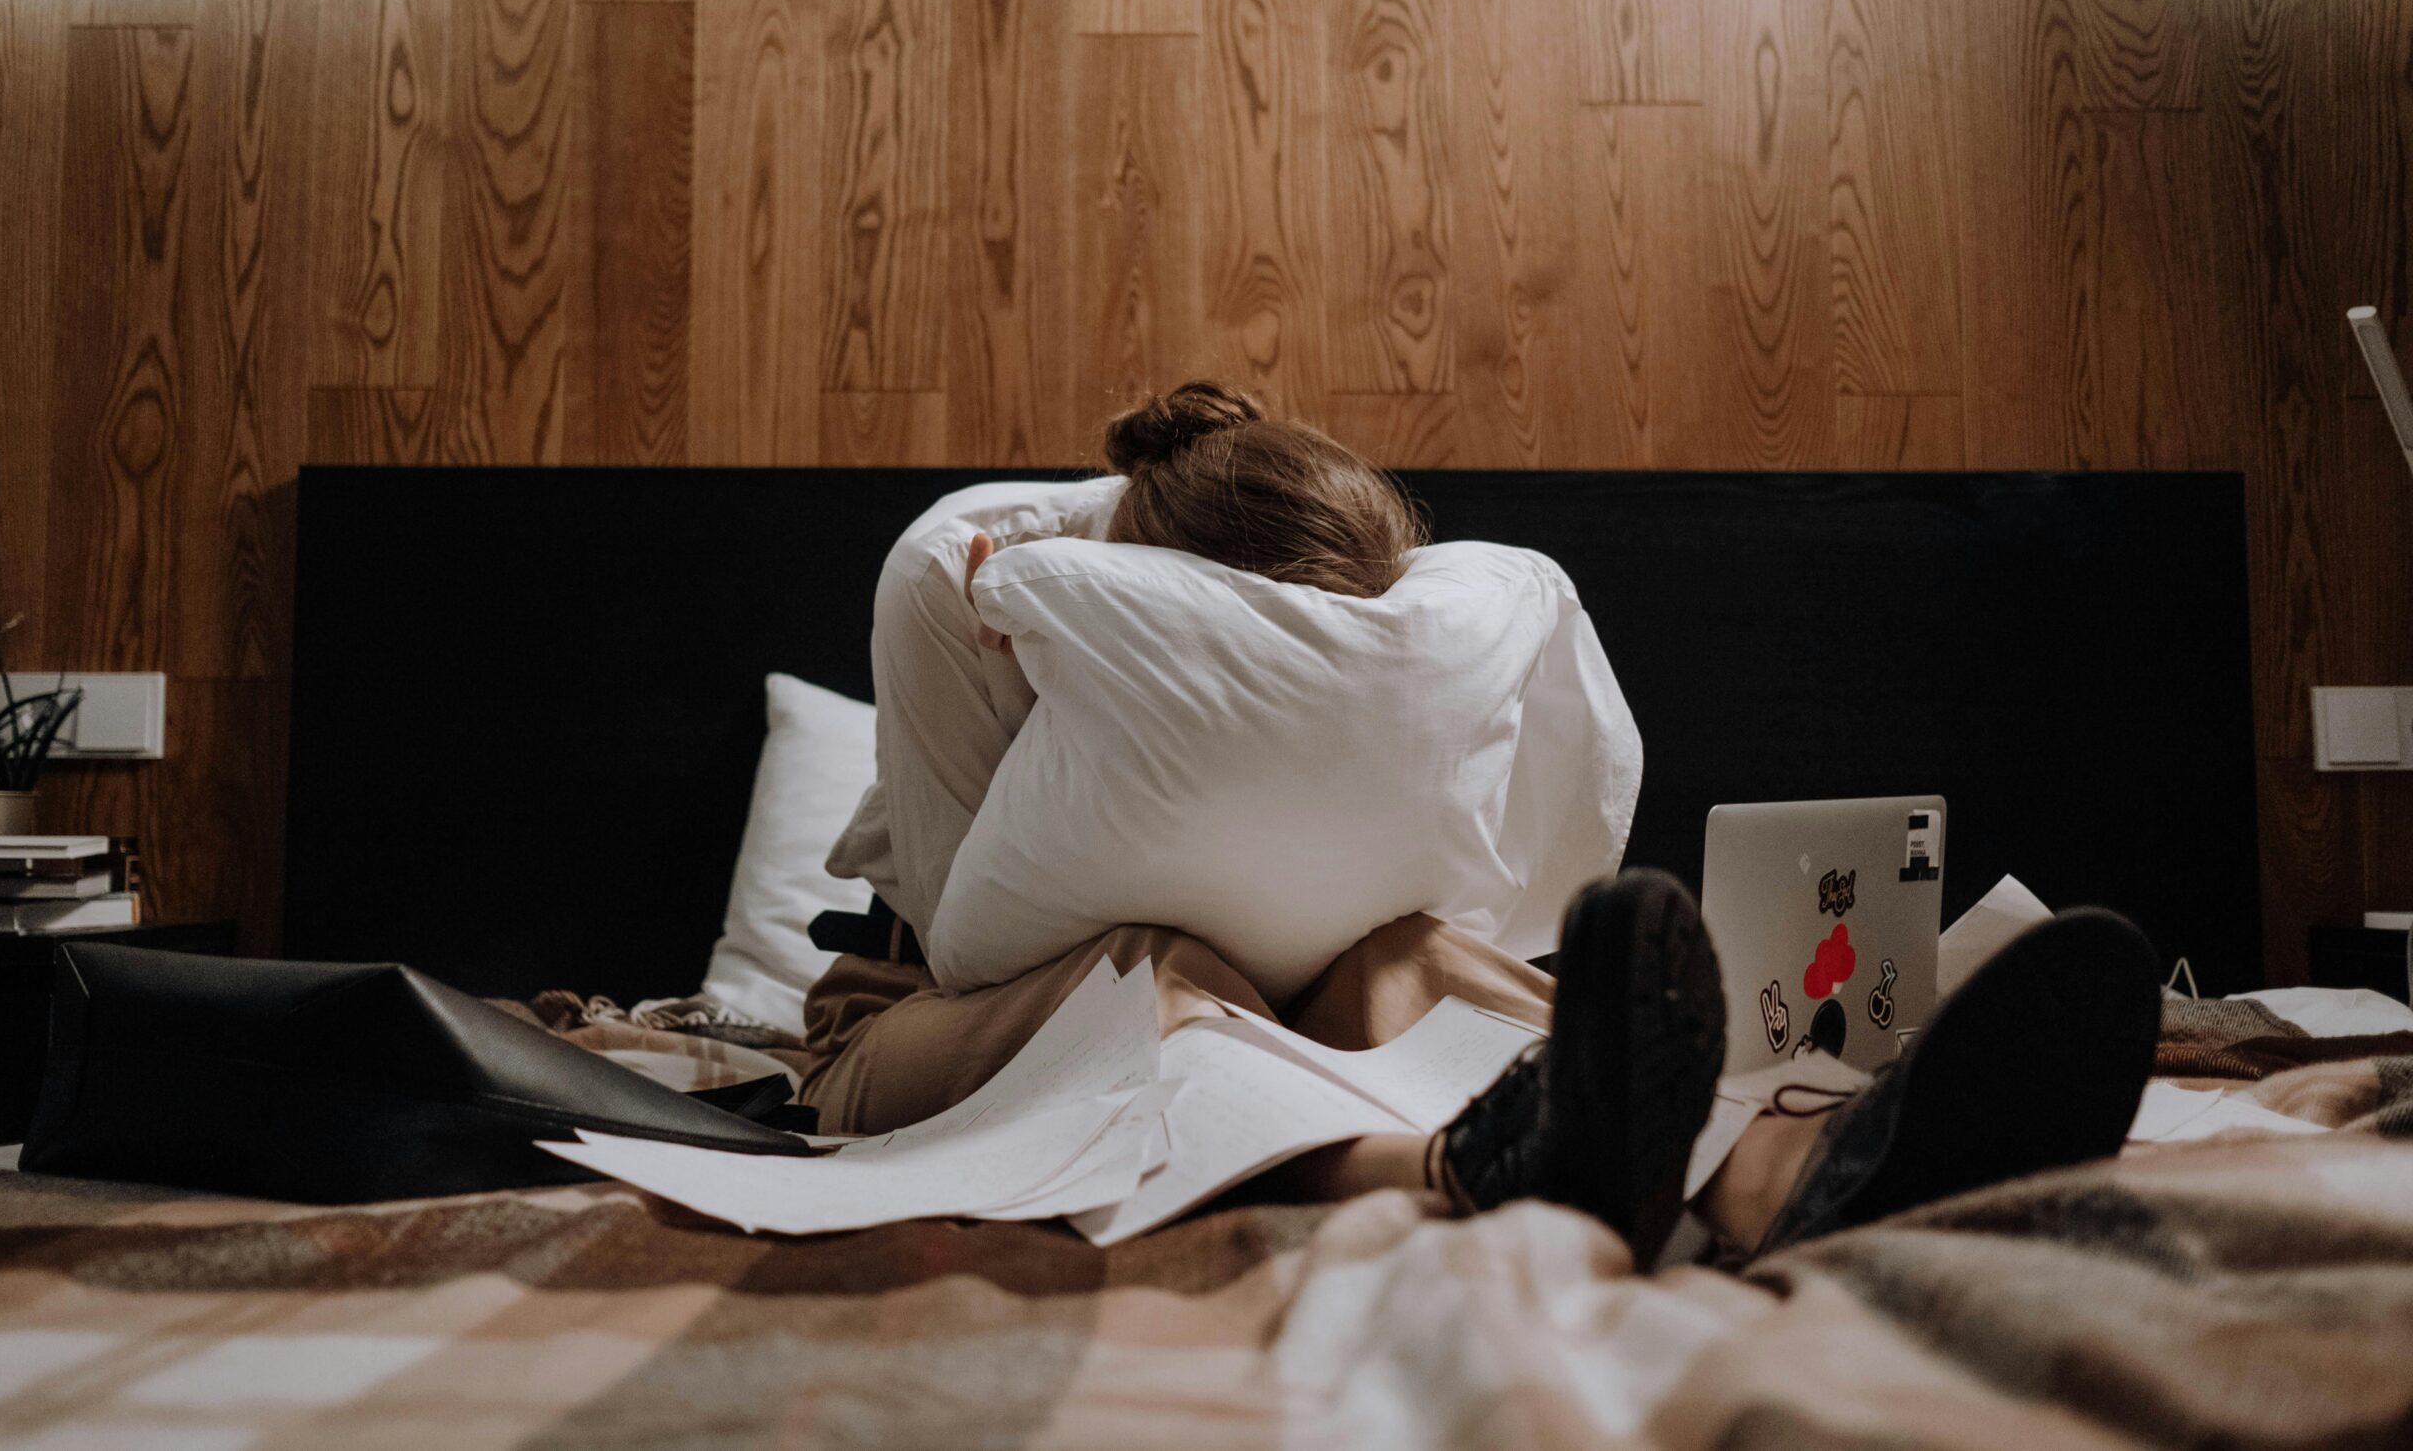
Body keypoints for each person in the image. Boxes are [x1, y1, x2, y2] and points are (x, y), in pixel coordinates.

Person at [801, 382, 2160, 1269]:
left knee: (1409, 954)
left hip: (1280, 999)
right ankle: (1465, 1161)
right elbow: (969, 948)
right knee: (1157, 972)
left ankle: (1767, 1163)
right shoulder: (965, 587)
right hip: (914, 1021)